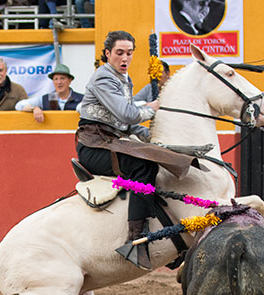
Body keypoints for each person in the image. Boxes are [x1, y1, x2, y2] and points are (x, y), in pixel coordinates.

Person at [76, 30, 200, 271]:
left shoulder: (124, 79)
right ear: (107, 54)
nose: (125, 58)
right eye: (119, 53)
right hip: (94, 146)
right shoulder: (103, 78)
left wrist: (154, 138)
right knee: (143, 164)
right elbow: (128, 114)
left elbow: (129, 125)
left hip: (112, 141)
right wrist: (152, 108)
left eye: (129, 53)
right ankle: (135, 238)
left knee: (156, 157)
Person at [15, 63, 83, 123]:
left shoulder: (82, 99)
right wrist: (34, 108)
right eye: (56, 79)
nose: (59, 82)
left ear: (70, 80)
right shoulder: (45, 99)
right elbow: (19, 105)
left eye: (62, 78)